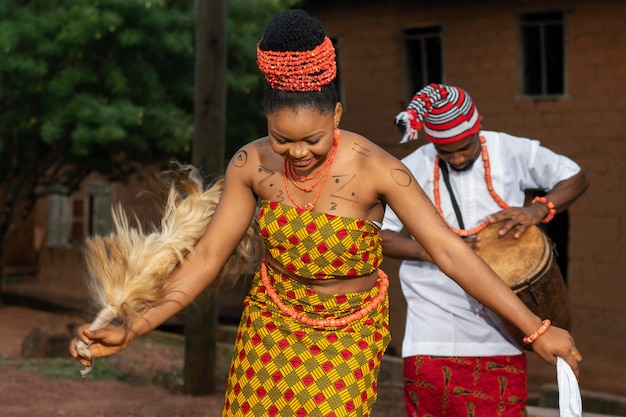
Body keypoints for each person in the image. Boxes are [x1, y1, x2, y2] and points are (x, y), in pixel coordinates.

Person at [70, 11, 582, 417]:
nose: (296, 154)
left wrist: (536, 330)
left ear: (336, 115)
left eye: (312, 139)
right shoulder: (249, 164)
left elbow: (448, 250)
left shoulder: (381, 170)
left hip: (349, 337)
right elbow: (205, 258)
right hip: (271, 328)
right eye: (281, 139)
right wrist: (134, 325)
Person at [382, 83, 589, 417]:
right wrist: (433, 250)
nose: (458, 157)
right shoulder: (409, 169)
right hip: (432, 330)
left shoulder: (509, 149)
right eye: (446, 152)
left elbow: (575, 177)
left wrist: (537, 210)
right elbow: (380, 234)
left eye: (465, 147)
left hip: (502, 329)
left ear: (477, 129)